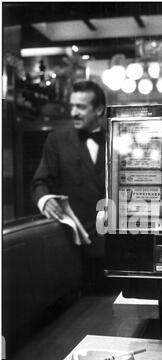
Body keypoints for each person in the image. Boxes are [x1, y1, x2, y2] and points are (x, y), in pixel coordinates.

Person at [31, 80, 107, 293]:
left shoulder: (116, 138)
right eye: (72, 106)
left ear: (99, 109)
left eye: (81, 107)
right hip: (76, 248)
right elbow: (40, 182)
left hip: (116, 246)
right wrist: (45, 200)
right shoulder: (57, 140)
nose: (73, 112)